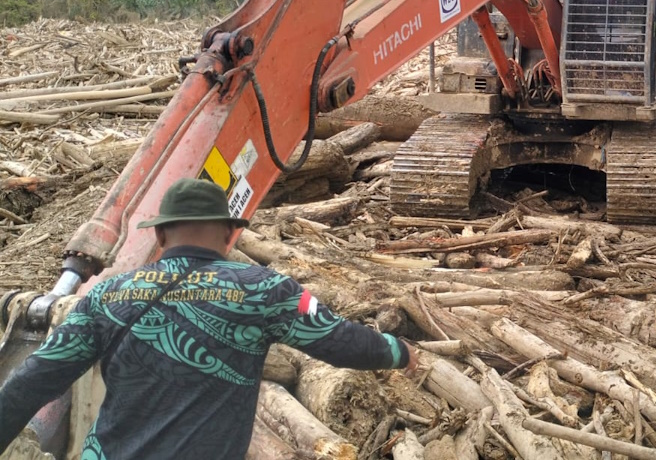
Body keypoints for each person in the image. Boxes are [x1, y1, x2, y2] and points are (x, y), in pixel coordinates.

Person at [0, 178, 418, 459]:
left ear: (161, 235)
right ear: (227, 234)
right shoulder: (264, 289)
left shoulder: (108, 294)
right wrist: (400, 352)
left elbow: (32, 380)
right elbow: (341, 342)